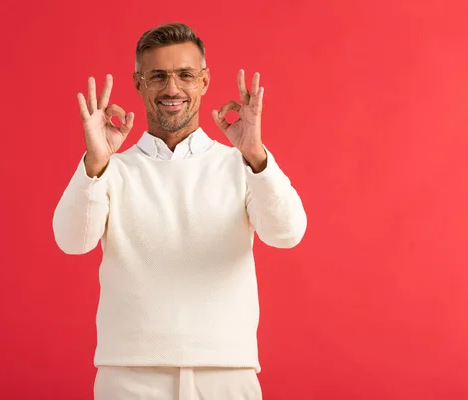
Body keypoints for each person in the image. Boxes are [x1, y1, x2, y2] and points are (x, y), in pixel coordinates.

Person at [53, 22, 307, 400]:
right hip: (128, 376)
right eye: (157, 77)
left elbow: (287, 234)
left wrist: (256, 155)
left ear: (204, 81)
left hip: (226, 373)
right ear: (138, 83)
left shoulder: (241, 165)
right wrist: (94, 162)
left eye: (185, 75)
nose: (172, 89)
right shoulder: (111, 169)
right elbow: (72, 241)